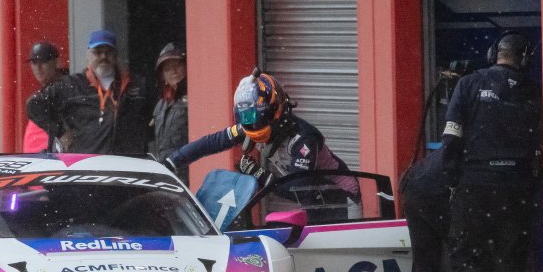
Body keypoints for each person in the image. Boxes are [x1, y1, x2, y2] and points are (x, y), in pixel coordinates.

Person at [441, 32, 543, 272]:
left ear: (493, 54)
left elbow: (451, 138)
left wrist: (452, 180)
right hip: (517, 188)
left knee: (464, 256)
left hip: (476, 185)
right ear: (525, 57)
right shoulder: (534, 91)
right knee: (509, 264)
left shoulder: (469, 84)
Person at [165, 69, 361, 222]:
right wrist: (171, 162)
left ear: (276, 110)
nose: (253, 123)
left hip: (341, 197)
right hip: (313, 199)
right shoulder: (250, 127)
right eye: (246, 116)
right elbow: (210, 143)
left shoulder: (303, 139)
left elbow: (298, 188)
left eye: (259, 115)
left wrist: (258, 173)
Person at [28, 29, 151, 154]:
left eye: (108, 52)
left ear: (116, 55)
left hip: (127, 161)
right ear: (88, 55)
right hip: (87, 162)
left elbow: (152, 120)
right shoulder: (71, 85)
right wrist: (61, 132)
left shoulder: (136, 85)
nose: (103, 57)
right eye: (98, 52)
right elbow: (34, 104)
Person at [149, 42, 189, 184]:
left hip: (188, 174)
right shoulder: (160, 105)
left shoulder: (195, 97)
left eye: (177, 65)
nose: (173, 71)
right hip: (165, 176)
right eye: (167, 68)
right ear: (163, 76)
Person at [23, 40, 68, 153]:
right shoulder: (45, 94)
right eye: (34, 62)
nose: (38, 68)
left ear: (57, 62)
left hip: (59, 158)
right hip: (46, 159)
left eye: (43, 61)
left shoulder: (67, 89)